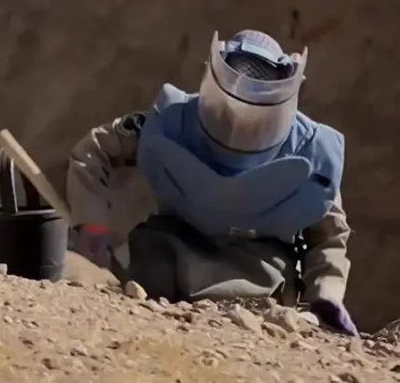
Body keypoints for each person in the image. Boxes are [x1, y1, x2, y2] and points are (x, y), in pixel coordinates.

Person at [66, 30, 358, 336]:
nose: (239, 122)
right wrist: (92, 225)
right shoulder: (172, 121)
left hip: (261, 278)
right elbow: (95, 150)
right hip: (167, 257)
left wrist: (327, 294)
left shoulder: (310, 153)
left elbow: (329, 235)